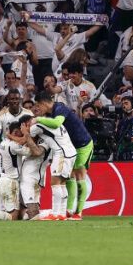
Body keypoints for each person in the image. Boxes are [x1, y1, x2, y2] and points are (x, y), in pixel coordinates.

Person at [34, 90, 93, 220]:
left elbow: (57, 123)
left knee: (79, 176)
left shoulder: (60, 108)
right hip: (70, 148)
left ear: (43, 103)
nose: (38, 108)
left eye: (38, 105)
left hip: (83, 144)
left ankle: (78, 212)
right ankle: (68, 210)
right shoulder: (51, 113)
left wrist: (38, 119)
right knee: (68, 177)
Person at [32, 113, 76, 221]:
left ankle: (55, 214)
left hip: (61, 154)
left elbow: (27, 136)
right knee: (62, 184)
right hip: (70, 153)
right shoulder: (56, 123)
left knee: (55, 183)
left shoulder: (38, 126)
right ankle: (62, 214)